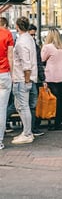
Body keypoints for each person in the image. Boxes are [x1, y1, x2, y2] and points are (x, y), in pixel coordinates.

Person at [11, 17, 38, 145]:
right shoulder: (29, 39)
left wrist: (26, 81)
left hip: (21, 78)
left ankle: (27, 133)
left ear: (17, 26)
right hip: (25, 78)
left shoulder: (21, 42)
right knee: (21, 106)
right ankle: (26, 131)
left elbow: (25, 64)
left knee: (23, 106)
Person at [40, 28, 62, 131]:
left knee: (53, 99)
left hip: (52, 75)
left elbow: (42, 59)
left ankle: (53, 120)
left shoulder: (47, 47)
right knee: (61, 98)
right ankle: (58, 122)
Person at [28, 24, 45, 137]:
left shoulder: (33, 46)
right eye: (32, 34)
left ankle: (32, 128)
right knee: (30, 104)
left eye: (34, 35)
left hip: (30, 78)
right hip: (27, 78)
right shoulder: (33, 46)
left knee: (31, 105)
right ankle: (32, 128)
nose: (33, 37)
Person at [0, 17, 14, 150]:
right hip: (4, 73)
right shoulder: (6, 34)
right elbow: (10, 56)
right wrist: (13, 74)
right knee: (2, 108)